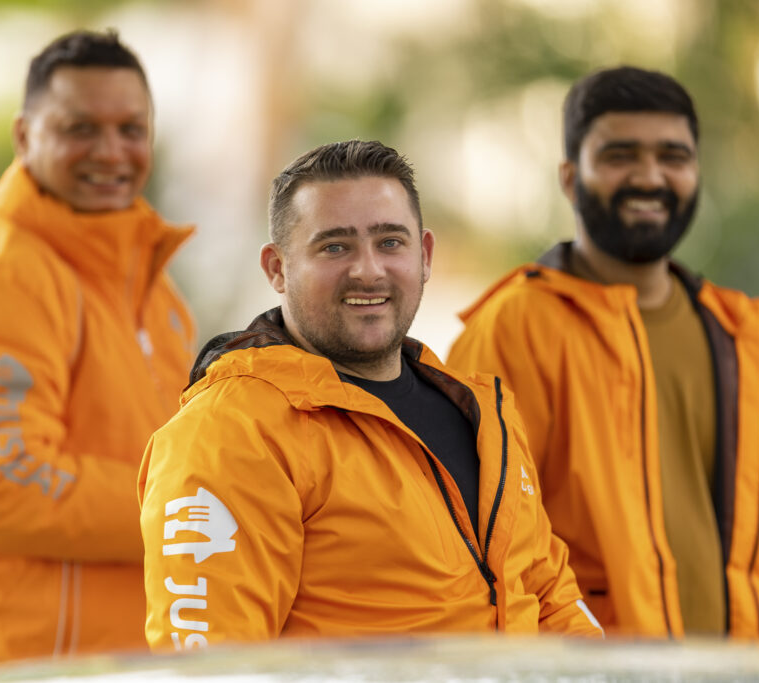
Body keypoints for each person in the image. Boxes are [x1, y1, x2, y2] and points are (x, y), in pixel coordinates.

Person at [138, 139, 602, 651]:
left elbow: (550, 595)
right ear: (277, 269)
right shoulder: (230, 433)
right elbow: (212, 666)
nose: (368, 270)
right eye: (334, 247)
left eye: (390, 242)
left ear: (424, 255)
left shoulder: (483, 414)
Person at [447, 66, 759, 641]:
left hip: (739, 668)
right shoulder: (515, 327)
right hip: (594, 672)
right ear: (569, 177)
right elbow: (476, 545)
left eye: (673, 156)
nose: (649, 176)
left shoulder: (737, 332)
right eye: (620, 155)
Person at [0, 30, 196, 677]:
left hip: (112, 660)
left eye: (130, 129)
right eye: (80, 128)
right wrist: (195, 506)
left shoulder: (149, 283)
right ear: (24, 136)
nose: (110, 151)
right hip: (12, 664)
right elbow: (1, 491)